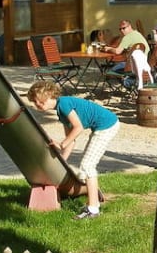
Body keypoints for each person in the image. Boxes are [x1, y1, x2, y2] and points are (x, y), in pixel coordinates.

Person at [27, 80, 120, 220]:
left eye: (39, 101)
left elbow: (78, 128)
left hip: (107, 125)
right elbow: (71, 138)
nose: (37, 105)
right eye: (34, 102)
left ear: (50, 96)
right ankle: (93, 198)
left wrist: (62, 144)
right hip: (102, 126)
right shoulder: (60, 111)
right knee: (86, 166)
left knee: (87, 166)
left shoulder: (64, 104)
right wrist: (62, 159)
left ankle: (93, 209)